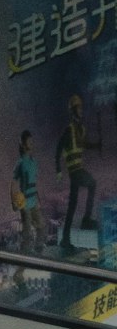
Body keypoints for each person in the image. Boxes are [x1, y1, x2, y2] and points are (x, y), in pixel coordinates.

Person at [55, 93, 99, 253]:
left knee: (72, 206)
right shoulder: (69, 130)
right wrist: (58, 170)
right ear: (73, 110)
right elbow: (59, 148)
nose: (81, 110)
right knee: (92, 183)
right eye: (78, 108)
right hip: (75, 170)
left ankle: (65, 239)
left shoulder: (80, 129)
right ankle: (86, 220)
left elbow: (84, 144)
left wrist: (96, 145)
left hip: (77, 171)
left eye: (81, 107)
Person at [10, 129, 44, 283]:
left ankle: (36, 254)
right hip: (25, 204)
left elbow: (34, 184)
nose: (32, 144)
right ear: (23, 145)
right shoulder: (20, 163)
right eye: (29, 142)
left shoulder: (33, 162)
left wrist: (39, 199)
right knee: (27, 237)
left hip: (34, 201)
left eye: (32, 142)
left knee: (42, 227)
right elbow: (13, 183)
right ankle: (19, 273)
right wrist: (13, 201)